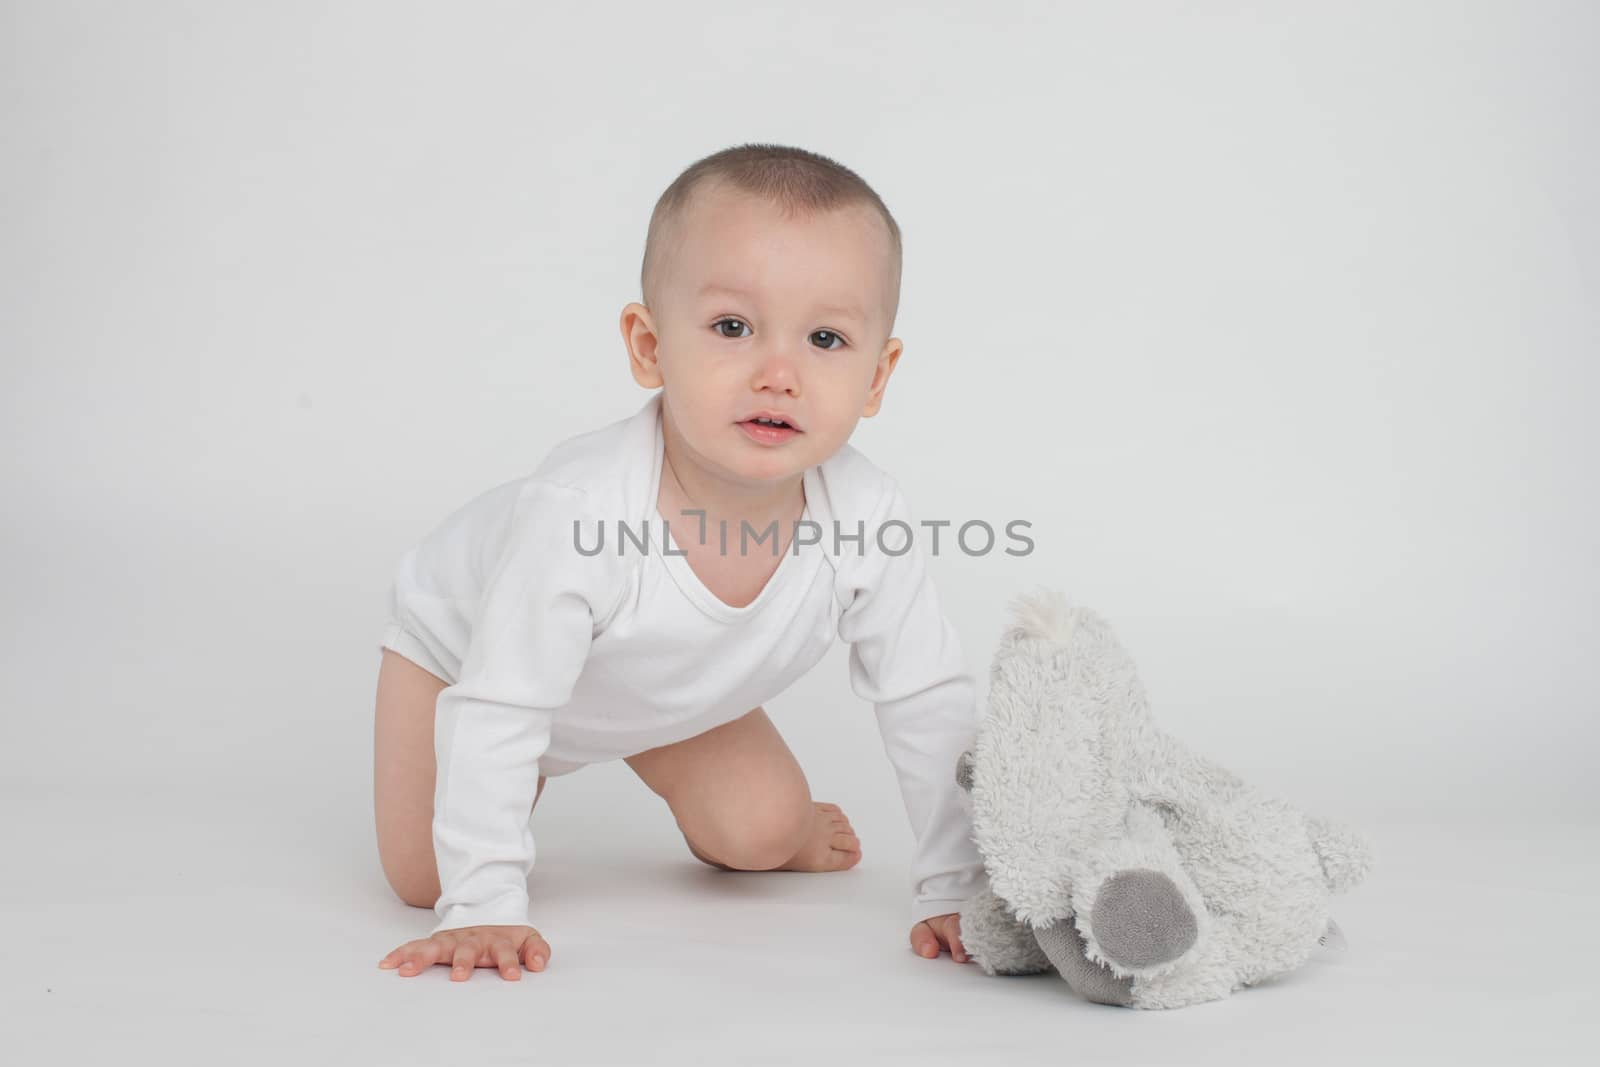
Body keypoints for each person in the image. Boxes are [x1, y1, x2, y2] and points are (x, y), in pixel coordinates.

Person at [374, 143, 985, 981]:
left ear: (878, 376)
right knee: (425, 877)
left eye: (826, 338)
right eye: (732, 328)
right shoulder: (580, 510)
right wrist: (482, 905)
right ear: (649, 345)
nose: (779, 373)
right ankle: (495, 827)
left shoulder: (867, 514)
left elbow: (927, 698)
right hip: (468, 663)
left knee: (761, 832)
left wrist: (955, 884)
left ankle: (751, 802)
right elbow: (500, 704)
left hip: (651, 679)